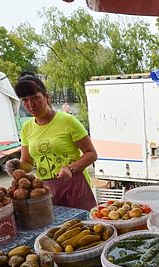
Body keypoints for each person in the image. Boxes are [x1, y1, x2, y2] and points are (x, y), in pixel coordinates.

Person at [6, 72, 97, 210]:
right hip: (45, 190)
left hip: (75, 186)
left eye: (35, 98)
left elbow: (91, 154)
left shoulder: (68, 121)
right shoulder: (26, 128)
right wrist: (17, 166)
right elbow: (28, 163)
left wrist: (70, 169)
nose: (30, 104)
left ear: (46, 97)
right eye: (25, 100)